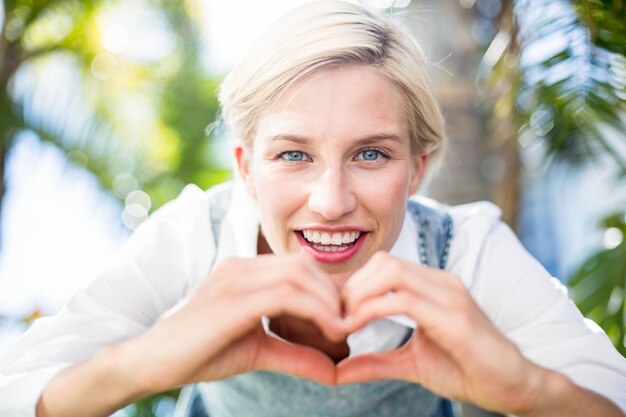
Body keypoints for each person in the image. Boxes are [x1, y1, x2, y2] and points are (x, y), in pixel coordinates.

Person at [1, 1, 625, 416]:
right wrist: (139, 364)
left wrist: (529, 387)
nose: (331, 204)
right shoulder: (197, 235)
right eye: (294, 156)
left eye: (372, 155)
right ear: (245, 168)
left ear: (419, 168)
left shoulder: (466, 249)